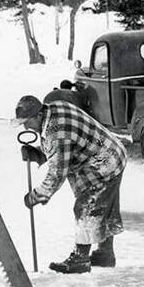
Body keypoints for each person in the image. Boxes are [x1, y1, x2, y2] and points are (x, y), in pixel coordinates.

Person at [14, 95, 127, 274]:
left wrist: (38, 195)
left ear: (38, 115)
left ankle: (80, 259)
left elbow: (57, 172)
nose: (26, 127)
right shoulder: (53, 109)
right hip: (110, 152)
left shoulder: (56, 132)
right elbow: (67, 142)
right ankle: (105, 254)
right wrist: (40, 153)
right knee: (104, 207)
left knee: (86, 206)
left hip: (104, 162)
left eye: (27, 122)